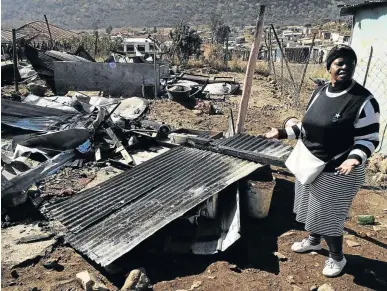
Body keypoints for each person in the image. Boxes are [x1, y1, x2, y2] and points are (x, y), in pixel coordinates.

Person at [265, 44, 380, 277]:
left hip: (339, 169)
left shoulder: (363, 101)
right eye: (339, 62)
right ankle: (314, 240)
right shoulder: (320, 92)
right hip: (310, 163)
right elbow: (307, 127)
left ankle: (338, 258)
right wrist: (281, 132)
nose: (345, 66)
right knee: (309, 208)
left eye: (350, 62)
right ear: (329, 67)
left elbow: (369, 139)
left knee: (327, 215)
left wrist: (354, 159)